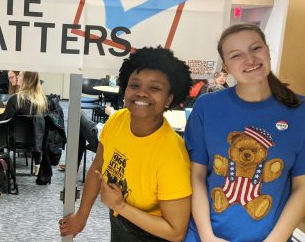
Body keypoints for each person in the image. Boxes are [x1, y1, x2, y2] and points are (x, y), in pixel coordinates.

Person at [184, 23, 304, 242]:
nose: (249, 60)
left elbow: (302, 187)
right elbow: (197, 176)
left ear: (268, 50)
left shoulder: (300, 111)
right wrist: (208, 237)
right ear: (226, 67)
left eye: (255, 48)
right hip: (204, 234)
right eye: (236, 55)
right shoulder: (207, 107)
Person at [60, 47, 193, 241]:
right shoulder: (118, 120)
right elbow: (98, 167)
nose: (142, 93)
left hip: (152, 235)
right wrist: (82, 216)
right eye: (135, 85)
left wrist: (120, 206)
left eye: (154, 88)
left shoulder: (172, 155)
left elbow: (175, 231)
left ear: (169, 98)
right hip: (120, 223)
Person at [2, 71, 47, 176]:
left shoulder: (16, 99)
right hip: (37, 141)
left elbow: (4, 122)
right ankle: (37, 164)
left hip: (15, 141)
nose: (17, 77)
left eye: (20, 75)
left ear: (26, 79)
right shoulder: (42, 100)